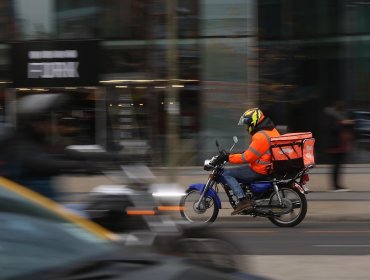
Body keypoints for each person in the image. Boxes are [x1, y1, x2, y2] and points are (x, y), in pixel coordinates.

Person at [216, 108, 280, 215]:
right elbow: (255, 152)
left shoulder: (260, 136)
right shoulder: (271, 131)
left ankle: (243, 201)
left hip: (260, 169)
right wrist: (232, 155)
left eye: (247, 124)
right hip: (268, 166)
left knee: (226, 173)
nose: (247, 128)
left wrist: (227, 158)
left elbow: (247, 158)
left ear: (253, 122)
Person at [325, 100, 354, 192]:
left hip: (341, 146)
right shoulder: (332, 116)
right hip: (335, 146)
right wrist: (343, 123)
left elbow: (345, 129)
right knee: (335, 167)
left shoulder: (341, 116)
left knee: (339, 167)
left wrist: (346, 123)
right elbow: (332, 129)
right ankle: (334, 186)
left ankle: (338, 185)